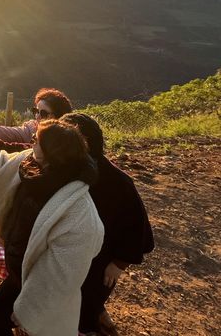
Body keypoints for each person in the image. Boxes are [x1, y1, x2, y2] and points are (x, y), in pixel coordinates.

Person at [0, 119, 104, 336]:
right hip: (18, 268)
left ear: (52, 151)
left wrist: (27, 314)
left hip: (37, 281)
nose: (31, 141)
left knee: (0, 317)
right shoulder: (30, 165)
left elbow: (57, 277)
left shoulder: (79, 215)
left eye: (36, 139)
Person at [61, 113, 154, 336]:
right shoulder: (66, 170)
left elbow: (137, 228)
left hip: (99, 267)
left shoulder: (118, 182)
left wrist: (119, 264)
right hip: (69, 262)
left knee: (84, 315)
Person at [0, 88, 73, 144]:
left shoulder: (68, 143)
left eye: (43, 113)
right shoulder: (31, 131)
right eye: (36, 111)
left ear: (59, 116)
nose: (37, 116)